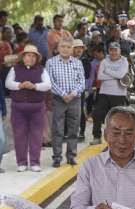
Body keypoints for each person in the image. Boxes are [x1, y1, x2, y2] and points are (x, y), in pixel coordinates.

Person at [4, 45, 50, 171]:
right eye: (28, 55)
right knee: (19, 135)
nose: (31, 58)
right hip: (18, 108)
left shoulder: (41, 69)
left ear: (37, 58)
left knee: (36, 135)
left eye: (33, 56)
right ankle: (21, 163)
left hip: (37, 108)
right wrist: (20, 85)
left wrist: (34, 86)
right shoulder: (15, 69)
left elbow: (47, 85)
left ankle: (35, 162)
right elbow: (8, 84)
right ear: (23, 57)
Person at [45, 36, 84, 167]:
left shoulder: (77, 63)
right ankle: (57, 157)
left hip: (75, 99)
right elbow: (50, 81)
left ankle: (71, 156)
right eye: (63, 47)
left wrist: (72, 94)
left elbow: (81, 82)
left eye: (68, 47)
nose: (65, 49)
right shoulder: (51, 62)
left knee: (74, 128)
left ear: (72, 49)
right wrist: (63, 94)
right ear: (58, 48)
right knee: (57, 129)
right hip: (59, 99)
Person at [91, 41, 128, 145]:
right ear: (109, 51)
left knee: (118, 118)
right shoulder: (104, 61)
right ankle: (97, 137)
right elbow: (100, 77)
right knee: (97, 114)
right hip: (104, 93)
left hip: (119, 94)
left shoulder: (124, 61)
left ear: (119, 51)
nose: (113, 52)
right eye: (111, 50)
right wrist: (115, 76)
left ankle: (119, 138)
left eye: (115, 50)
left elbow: (121, 75)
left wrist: (107, 71)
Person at [73, 39, 90, 140]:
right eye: (76, 47)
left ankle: (81, 132)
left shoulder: (85, 61)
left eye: (81, 48)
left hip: (80, 89)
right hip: (68, 89)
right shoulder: (68, 59)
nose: (79, 49)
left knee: (80, 110)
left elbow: (87, 75)